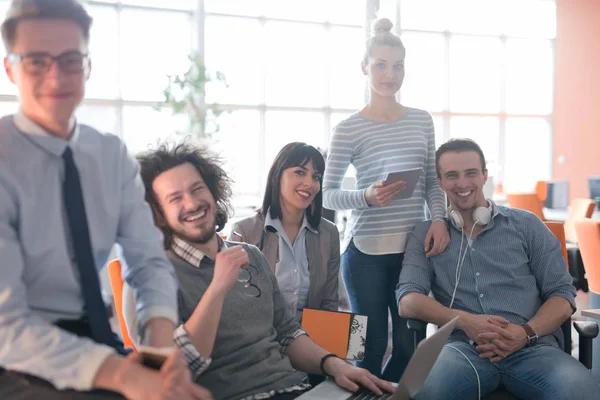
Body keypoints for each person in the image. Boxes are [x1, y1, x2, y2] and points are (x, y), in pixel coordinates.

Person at [0, 1, 209, 399]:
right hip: (16, 355)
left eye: (70, 60)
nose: (56, 75)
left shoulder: (110, 156)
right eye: (37, 61)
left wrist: (160, 354)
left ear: (88, 65)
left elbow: (148, 262)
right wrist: (128, 379)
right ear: (10, 68)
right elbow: (5, 326)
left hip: (99, 343)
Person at [131, 140, 394, 400]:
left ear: (212, 191)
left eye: (197, 189)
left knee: (377, 356)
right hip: (244, 389)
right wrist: (218, 287)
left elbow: (292, 327)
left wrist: (334, 364)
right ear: (158, 213)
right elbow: (170, 372)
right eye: (175, 198)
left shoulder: (318, 234)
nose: (191, 203)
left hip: (298, 369)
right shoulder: (157, 274)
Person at [396, 138, 600, 399]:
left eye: (471, 173)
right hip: (463, 350)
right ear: (440, 182)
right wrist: (465, 321)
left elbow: (562, 296)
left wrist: (524, 333)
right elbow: (408, 301)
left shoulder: (527, 225)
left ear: (484, 176)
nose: (462, 183)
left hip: (533, 347)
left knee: (580, 392)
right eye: (451, 175)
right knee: (428, 391)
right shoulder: (427, 234)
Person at [321, 17, 449, 380]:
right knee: (367, 346)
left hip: (414, 251)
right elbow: (327, 194)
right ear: (365, 67)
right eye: (380, 65)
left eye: (398, 66)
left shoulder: (422, 121)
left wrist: (438, 219)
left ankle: (391, 391)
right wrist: (366, 196)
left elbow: (430, 182)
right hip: (363, 254)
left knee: (410, 346)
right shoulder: (348, 129)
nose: (390, 74)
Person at [228, 142, 341, 323]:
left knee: (360, 345)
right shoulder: (244, 231)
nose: (309, 183)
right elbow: (236, 304)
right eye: (300, 172)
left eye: (316, 177)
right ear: (278, 175)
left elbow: (329, 305)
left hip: (310, 337)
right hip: (262, 337)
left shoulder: (329, 234)